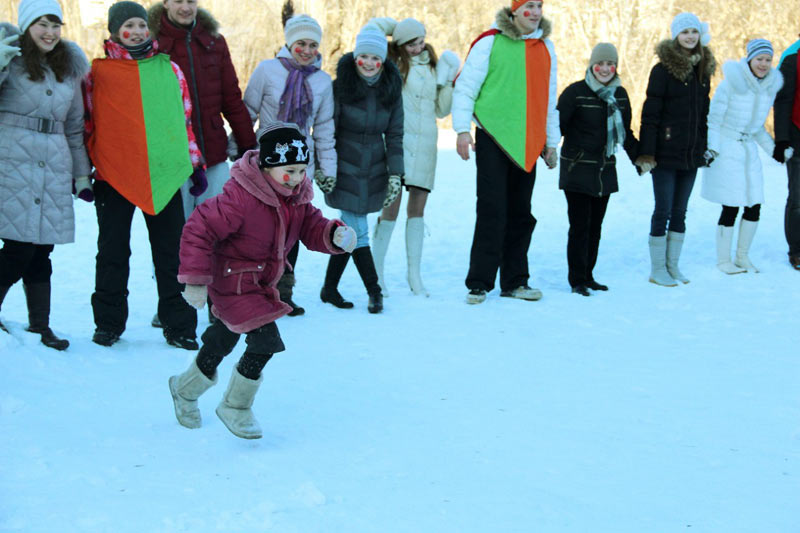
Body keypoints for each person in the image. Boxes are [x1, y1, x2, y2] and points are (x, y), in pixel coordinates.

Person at [169, 123, 356, 439]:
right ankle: (236, 406)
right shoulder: (240, 199)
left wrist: (333, 234)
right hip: (232, 283)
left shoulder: (295, 200)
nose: (297, 179)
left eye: (301, 171)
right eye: (289, 171)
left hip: (259, 285)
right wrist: (196, 280)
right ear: (268, 167)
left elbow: (312, 226)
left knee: (222, 339)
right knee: (266, 340)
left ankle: (184, 389)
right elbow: (200, 227)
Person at [85, 1, 205, 348]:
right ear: (113, 31)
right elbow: (88, 123)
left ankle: (180, 325)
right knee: (112, 252)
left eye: (141, 24)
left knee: (171, 252)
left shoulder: (169, 70)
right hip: (113, 173)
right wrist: (84, 172)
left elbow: (183, 122)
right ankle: (108, 322)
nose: (137, 31)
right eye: (129, 26)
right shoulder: (99, 74)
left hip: (163, 173)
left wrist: (194, 163)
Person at [147, 0, 257, 328]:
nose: (185, 7)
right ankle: (173, 302)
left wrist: (250, 147)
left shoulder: (213, 41)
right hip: (172, 157)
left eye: (191, 0)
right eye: (178, 0)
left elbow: (231, 98)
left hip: (212, 153)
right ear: (166, 3)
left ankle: (217, 302)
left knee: (221, 230)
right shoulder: (151, 44)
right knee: (176, 236)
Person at [452, 0, 559, 305]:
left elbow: (549, 98)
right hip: (493, 138)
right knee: (492, 210)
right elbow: (466, 88)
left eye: (539, 5)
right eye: (528, 6)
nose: (535, 11)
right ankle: (480, 282)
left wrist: (551, 142)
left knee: (521, 214)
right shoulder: (490, 43)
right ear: (514, 11)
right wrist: (461, 129)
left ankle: (515, 281)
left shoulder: (546, 48)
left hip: (528, 142)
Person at [0, 0, 90, 350]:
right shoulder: (10, 55)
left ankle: (41, 326)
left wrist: (81, 177)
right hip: (12, 163)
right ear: (26, 26)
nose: (50, 32)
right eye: (42, 24)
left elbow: (73, 129)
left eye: (56, 24)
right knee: (19, 249)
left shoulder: (68, 68)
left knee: (41, 252)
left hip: (53, 165)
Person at [241, 2, 335, 316]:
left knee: (291, 232)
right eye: (301, 43)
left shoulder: (322, 82)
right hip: (264, 164)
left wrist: (327, 169)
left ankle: (283, 292)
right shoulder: (267, 70)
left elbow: (323, 128)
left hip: (299, 168)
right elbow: (248, 111)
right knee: (259, 230)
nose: (307, 50)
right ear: (289, 43)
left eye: (312, 45)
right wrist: (237, 148)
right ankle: (253, 289)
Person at [365, 17, 460, 297]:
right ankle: (377, 274)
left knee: (417, 210)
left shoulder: (434, 66)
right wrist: (395, 29)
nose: (417, 47)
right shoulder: (393, 66)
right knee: (390, 208)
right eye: (409, 43)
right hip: (397, 144)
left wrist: (448, 83)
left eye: (419, 40)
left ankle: (414, 275)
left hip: (427, 145)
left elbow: (441, 110)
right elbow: (370, 32)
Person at [319, 26, 404, 314]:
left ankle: (329, 288)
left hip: (375, 169)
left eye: (375, 58)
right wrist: (325, 168)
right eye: (363, 56)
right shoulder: (340, 86)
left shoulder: (392, 88)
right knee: (358, 231)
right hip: (343, 167)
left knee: (349, 228)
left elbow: (395, 135)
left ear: (383, 60)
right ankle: (374, 290)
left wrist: (396, 173)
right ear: (355, 57)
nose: (368, 63)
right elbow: (327, 130)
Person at [636, 12, 716, 287]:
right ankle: (658, 268)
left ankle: (673, 265)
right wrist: (647, 153)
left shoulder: (702, 69)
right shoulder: (662, 70)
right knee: (663, 209)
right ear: (676, 36)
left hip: (691, 154)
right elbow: (650, 115)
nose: (690, 37)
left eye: (694, 31)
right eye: (685, 32)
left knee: (680, 211)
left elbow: (703, 116)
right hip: (665, 153)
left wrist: (703, 148)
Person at [557, 43, 639, 296]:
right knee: (580, 226)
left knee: (595, 228)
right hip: (577, 169)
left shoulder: (620, 95)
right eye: (600, 64)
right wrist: (544, 150)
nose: (605, 68)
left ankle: (589, 275)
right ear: (592, 65)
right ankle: (577, 280)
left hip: (605, 171)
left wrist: (643, 157)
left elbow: (625, 133)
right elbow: (556, 127)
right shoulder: (575, 93)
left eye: (610, 64)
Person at [702, 39, 784, 274]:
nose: (764, 64)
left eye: (768, 60)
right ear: (749, 59)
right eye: (759, 59)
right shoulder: (730, 85)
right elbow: (714, 120)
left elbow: (757, 127)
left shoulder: (767, 88)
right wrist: (713, 149)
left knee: (754, 204)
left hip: (749, 153)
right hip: (727, 150)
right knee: (731, 205)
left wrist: (774, 150)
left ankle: (742, 256)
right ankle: (723, 260)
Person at [774, 33, 800, 270]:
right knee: (798, 197)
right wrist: (781, 140)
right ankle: (797, 250)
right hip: (797, 136)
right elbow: (782, 101)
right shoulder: (792, 56)